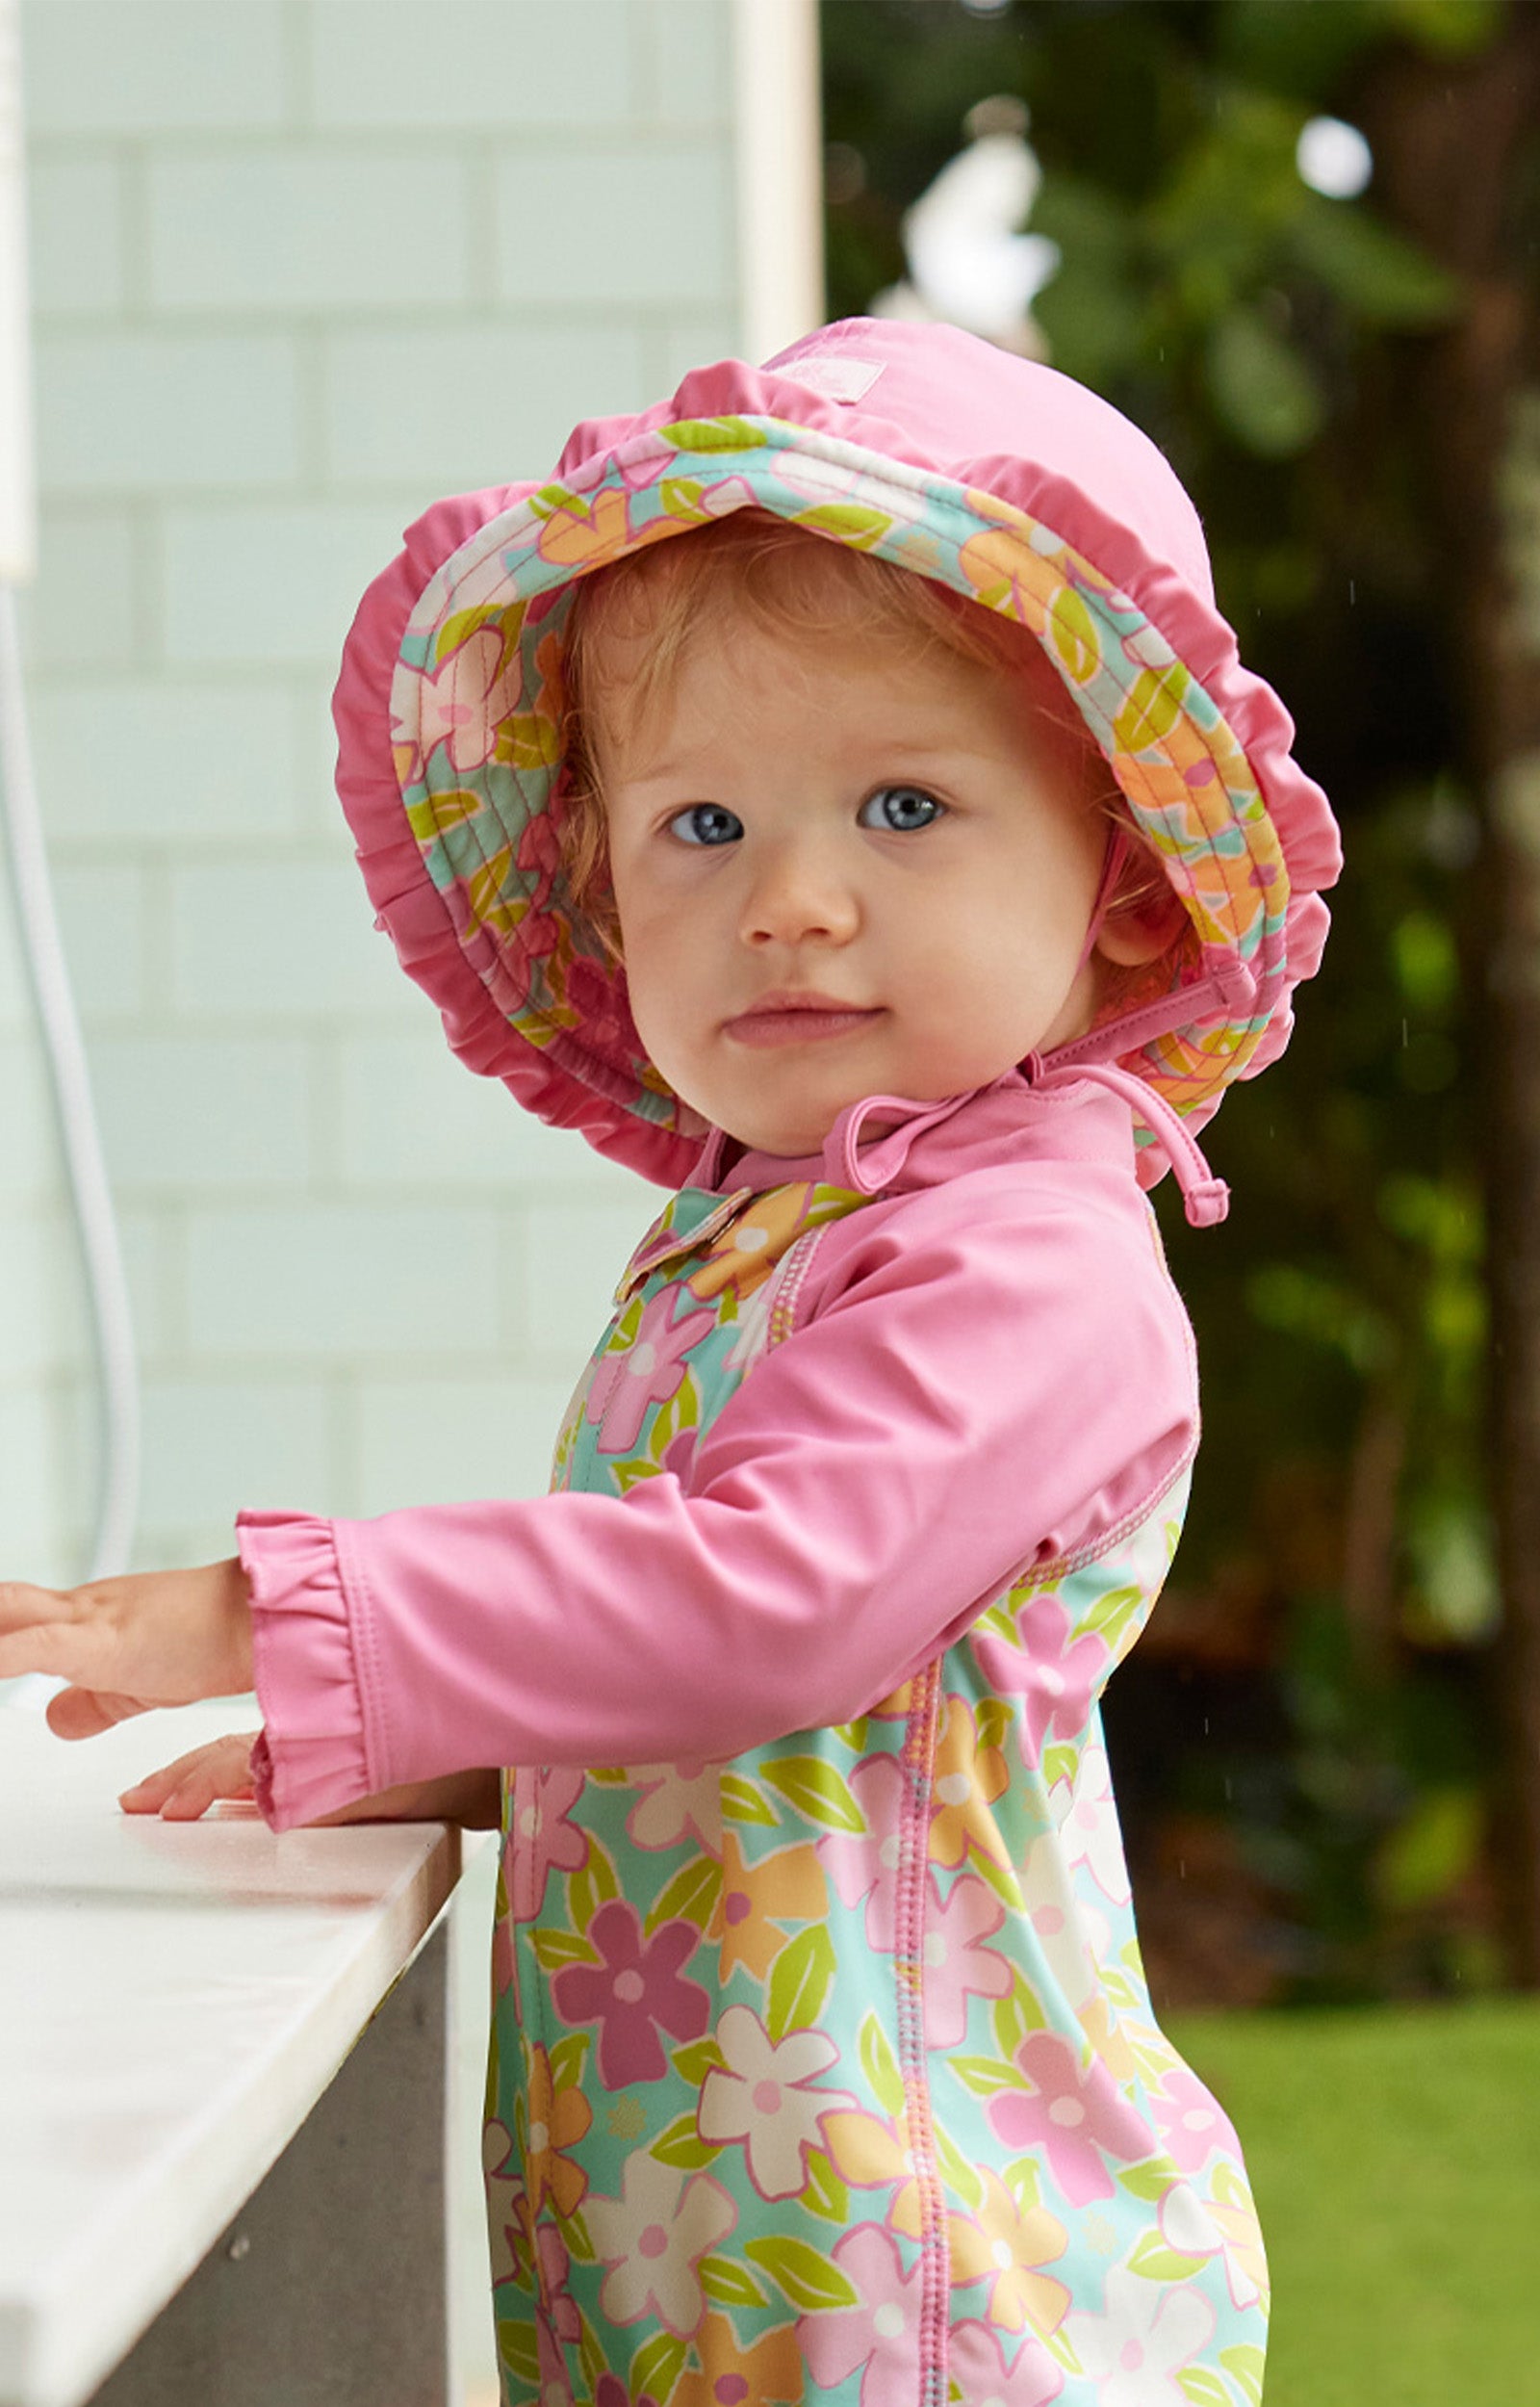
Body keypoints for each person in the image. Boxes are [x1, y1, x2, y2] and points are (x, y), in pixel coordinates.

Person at [0, 318, 1340, 2405]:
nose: (792, 901)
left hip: (921, 2278)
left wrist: (302, 1608)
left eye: (904, 804)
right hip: (725, 2245)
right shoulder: (762, 1228)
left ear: (1130, 901)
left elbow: (772, 1597)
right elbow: (773, 1685)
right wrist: (460, 1735)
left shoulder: (1024, 1262)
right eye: (699, 825)